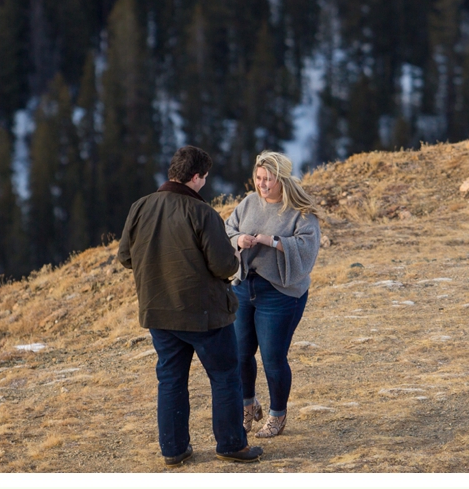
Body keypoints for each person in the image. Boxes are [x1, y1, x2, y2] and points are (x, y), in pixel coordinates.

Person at [118, 145, 263, 466]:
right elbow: (224, 266)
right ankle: (231, 445)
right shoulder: (202, 213)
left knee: (170, 380)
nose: (205, 184)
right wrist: (235, 253)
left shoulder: (139, 207)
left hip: (158, 312)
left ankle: (174, 450)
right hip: (205, 314)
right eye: (205, 178)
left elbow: (126, 257)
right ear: (195, 177)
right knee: (225, 376)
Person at [225, 150, 322, 438]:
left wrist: (275, 242)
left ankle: (277, 416)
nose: (262, 184)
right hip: (244, 286)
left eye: (268, 179)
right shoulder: (248, 203)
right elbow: (227, 229)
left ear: (281, 179)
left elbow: (308, 247)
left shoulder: (299, 210)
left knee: (273, 358)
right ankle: (247, 405)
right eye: (258, 178)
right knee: (240, 354)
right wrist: (238, 239)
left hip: (280, 293)